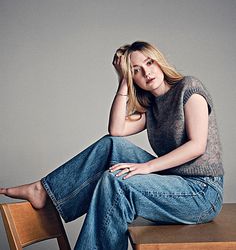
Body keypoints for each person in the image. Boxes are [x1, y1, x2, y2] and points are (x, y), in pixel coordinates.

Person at [0, 41, 224, 250]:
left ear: (159, 61)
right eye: (135, 70)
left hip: (202, 192)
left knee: (115, 181)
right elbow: (116, 130)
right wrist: (123, 82)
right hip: (172, 179)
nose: (146, 72)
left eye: (149, 63)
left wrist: (147, 168)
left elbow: (197, 146)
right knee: (111, 145)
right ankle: (42, 190)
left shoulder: (188, 87)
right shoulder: (152, 107)